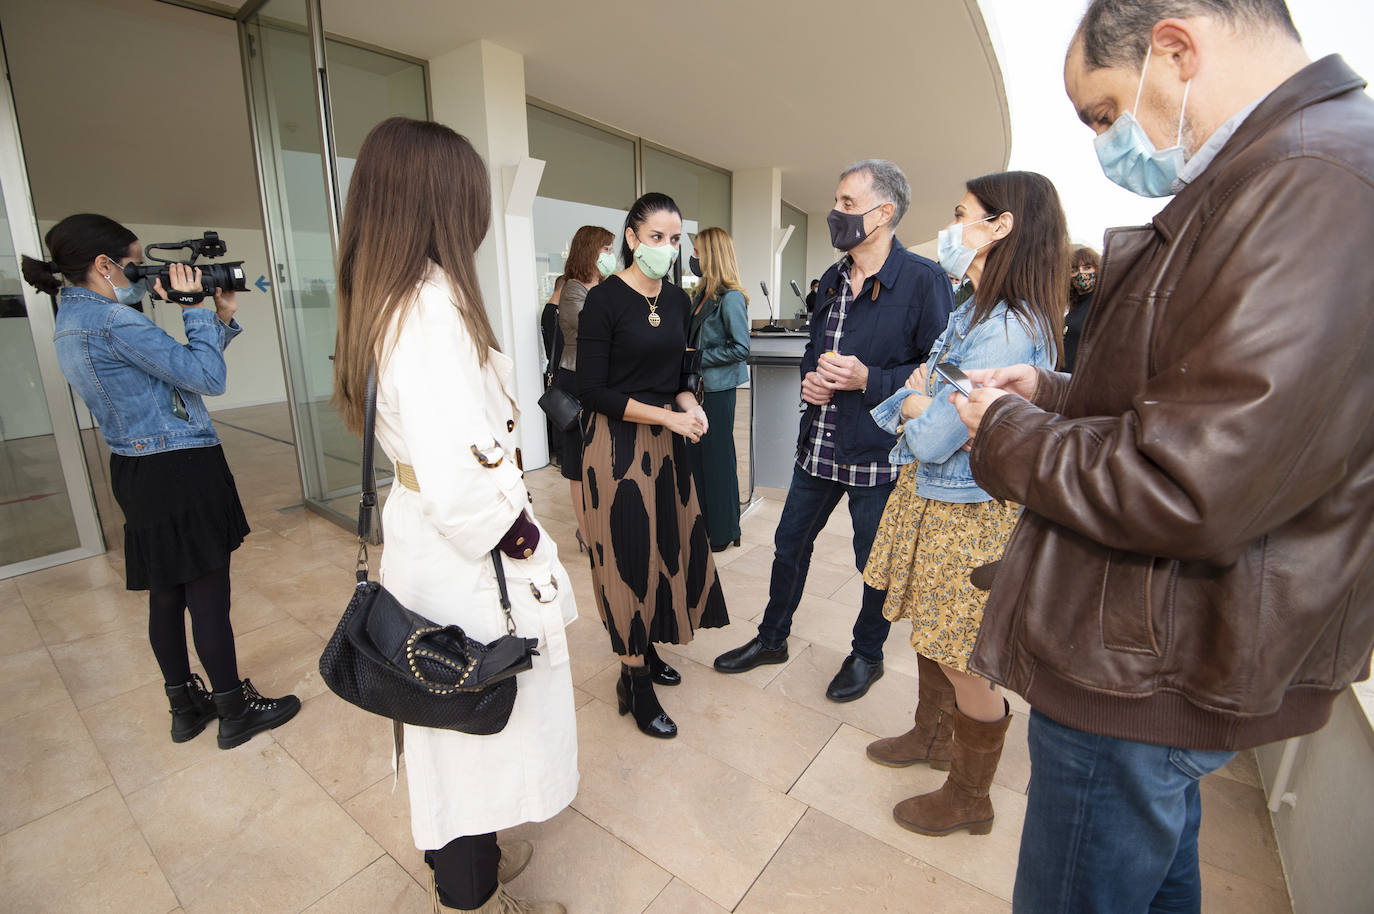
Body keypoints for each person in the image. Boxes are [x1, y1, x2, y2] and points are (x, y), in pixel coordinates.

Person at [950, 4, 1374, 911]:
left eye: (1105, 113)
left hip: (1139, 659)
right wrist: (1054, 395)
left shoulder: (1310, 178)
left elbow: (1185, 481)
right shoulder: (1289, 169)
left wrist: (1002, 431)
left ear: (1174, 49)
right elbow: (1200, 406)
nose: (1111, 142)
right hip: (1151, 646)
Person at [332, 117, 575, 914]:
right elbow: (461, 486)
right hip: (464, 554)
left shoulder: (386, 295)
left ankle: (465, 867)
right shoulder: (429, 309)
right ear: (439, 200)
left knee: (441, 714)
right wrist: (529, 537)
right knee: (469, 720)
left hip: (426, 546)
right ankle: (467, 896)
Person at [24, 215, 300, 750]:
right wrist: (196, 309)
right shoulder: (114, 323)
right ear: (102, 266)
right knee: (207, 592)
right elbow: (206, 379)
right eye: (132, 266)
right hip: (179, 466)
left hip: (136, 467)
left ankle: (184, 705)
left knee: (166, 594)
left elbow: (172, 373)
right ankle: (234, 709)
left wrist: (219, 319)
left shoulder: (72, 319)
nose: (141, 277)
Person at [862, 171, 1064, 838]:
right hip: (938, 499)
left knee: (964, 657)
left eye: (962, 214)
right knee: (934, 630)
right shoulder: (971, 312)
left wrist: (918, 408)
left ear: (1000, 226)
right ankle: (931, 735)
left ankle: (970, 797)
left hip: (970, 514)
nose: (950, 229)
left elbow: (931, 429)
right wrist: (917, 405)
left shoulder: (1007, 331)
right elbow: (911, 401)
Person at [713, 159, 952, 702]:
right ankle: (771, 638)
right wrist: (809, 383)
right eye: (837, 201)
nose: (835, 213)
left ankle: (867, 656)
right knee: (788, 544)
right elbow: (812, 352)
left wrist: (870, 379)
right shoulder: (832, 278)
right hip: (818, 445)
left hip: (878, 451)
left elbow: (937, 374)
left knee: (874, 563)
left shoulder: (924, 281)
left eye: (848, 203)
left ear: (883, 212)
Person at [577, 192, 730, 739]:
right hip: (616, 446)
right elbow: (592, 389)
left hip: (666, 444)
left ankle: (648, 645)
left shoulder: (678, 300)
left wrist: (689, 405)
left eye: (674, 238)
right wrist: (666, 418)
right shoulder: (604, 301)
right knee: (627, 557)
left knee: (668, 546)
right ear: (632, 237)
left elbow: (681, 373)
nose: (666, 247)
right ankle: (634, 678)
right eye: (656, 237)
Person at [685, 226, 750, 552]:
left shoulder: (732, 298)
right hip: (697, 390)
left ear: (711, 255)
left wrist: (697, 357)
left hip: (718, 390)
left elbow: (741, 348)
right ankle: (707, 524)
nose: (692, 258)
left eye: (697, 252)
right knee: (700, 459)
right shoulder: (700, 296)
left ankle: (724, 531)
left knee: (718, 459)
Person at [554, 226, 616, 550]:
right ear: (590, 250)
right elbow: (598, 328)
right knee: (578, 462)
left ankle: (601, 521)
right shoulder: (572, 290)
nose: (610, 256)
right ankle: (585, 530)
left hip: (601, 381)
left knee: (601, 456)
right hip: (575, 380)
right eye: (605, 249)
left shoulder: (605, 287)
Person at [540, 274, 566, 466]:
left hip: (553, 369)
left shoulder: (547, 311)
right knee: (561, 411)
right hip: (557, 369)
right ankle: (562, 453)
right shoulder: (554, 313)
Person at [1062, 245, 1099, 371]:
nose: (1081, 273)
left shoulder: (1101, 305)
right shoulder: (1071, 305)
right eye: (1075, 270)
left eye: (1087, 268)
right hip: (1062, 378)